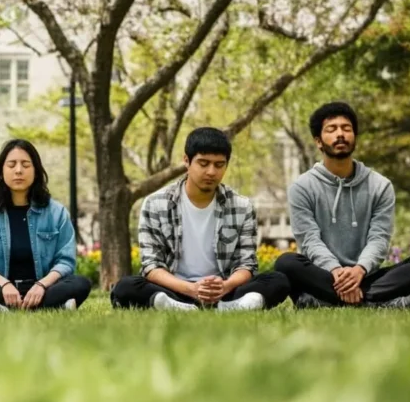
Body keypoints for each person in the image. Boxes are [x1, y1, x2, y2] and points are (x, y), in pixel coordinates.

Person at [275, 102, 410, 308]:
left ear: (354, 136)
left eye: (346, 129)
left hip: (366, 276)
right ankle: (379, 302)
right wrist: (337, 271)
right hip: (323, 275)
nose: (340, 134)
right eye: (332, 129)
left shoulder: (380, 185)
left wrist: (359, 270)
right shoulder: (302, 187)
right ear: (318, 141)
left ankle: (328, 300)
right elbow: (309, 240)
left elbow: (379, 239)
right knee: (286, 263)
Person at [111, 128, 290, 311]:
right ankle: (183, 306)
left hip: (224, 290)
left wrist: (224, 286)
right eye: (203, 164)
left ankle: (225, 307)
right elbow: (151, 266)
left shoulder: (242, 206)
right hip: (176, 289)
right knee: (126, 287)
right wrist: (191, 289)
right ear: (186, 161)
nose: (211, 172)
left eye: (219, 165)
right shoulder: (155, 204)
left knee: (278, 281)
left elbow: (246, 264)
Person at [0, 139, 91, 312]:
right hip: (1, 289)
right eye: (12, 165)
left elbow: (66, 261)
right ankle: (50, 307)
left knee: (80, 283)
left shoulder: (56, 212)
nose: (19, 170)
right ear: (1, 172)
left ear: (36, 171)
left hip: (43, 289)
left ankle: (6, 309)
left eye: (26, 165)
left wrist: (41, 286)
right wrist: (5, 284)